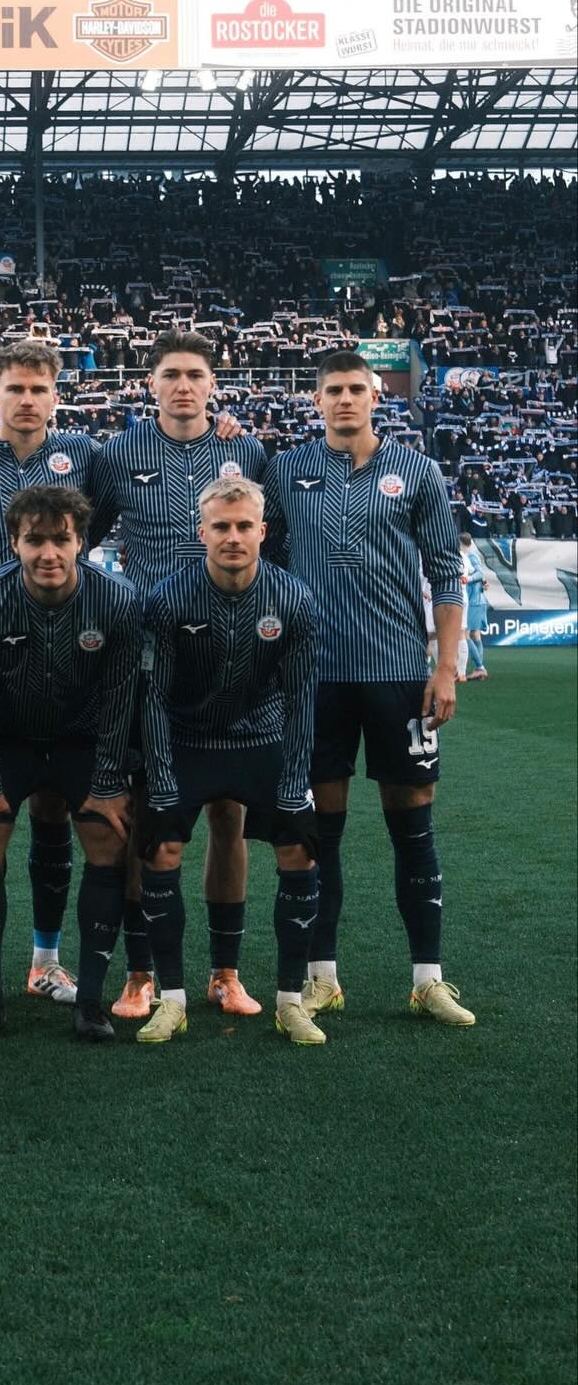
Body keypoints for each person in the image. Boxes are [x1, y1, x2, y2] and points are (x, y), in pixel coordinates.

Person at [264, 350, 474, 1027]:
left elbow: (446, 573)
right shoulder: (287, 470)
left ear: (375, 396)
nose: (346, 399)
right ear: (316, 400)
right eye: (334, 390)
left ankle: (428, 979)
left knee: (413, 827)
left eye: (357, 388)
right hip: (315, 679)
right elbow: (263, 565)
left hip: (400, 677)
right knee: (320, 832)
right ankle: (322, 978)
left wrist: (446, 666)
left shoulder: (417, 472)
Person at [89, 330, 269, 1023]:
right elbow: (87, 532)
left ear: (213, 382)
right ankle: (140, 974)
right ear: (152, 383)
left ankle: (225, 972)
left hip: (231, 659)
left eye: (196, 373)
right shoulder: (118, 454)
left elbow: (262, 542)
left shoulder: (245, 450)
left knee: (230, 815)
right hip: (148, 658)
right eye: (171, 374)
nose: (184, 385)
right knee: (146, 815)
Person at [133, 476, 324, 1045]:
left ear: (262, 532)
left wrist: (294, 780)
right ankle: (171, 999)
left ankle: (289, 1000)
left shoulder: (293, 598)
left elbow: (301, 700)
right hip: (189, 743)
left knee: (297, 845)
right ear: (202, 532)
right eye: (221, 526)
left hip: (259, 739)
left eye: (244, 526)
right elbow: (154, 698)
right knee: (162, 845)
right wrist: (162, 776)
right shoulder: (168, 599)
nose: (233, 537)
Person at [0, 485, 140, 1043]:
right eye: (35, 540)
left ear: (82, 542)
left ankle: (91, 1002)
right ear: (14, 543)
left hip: (83, 741)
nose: (48, 553)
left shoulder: (117, 601)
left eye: (61, 539)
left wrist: (107, 784)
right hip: (8, 741)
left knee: (107, 839)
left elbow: (120, 700)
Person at [459, 532, 490, 680]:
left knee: (465, 634)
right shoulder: (471, 555)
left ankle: (479, 667)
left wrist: (467, 579)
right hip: (477, 600)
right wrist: (483, 583)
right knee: (475, 634)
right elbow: (481, 577)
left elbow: (479, 573)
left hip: (473, 601)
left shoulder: (469, 557)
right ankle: (479, 668)